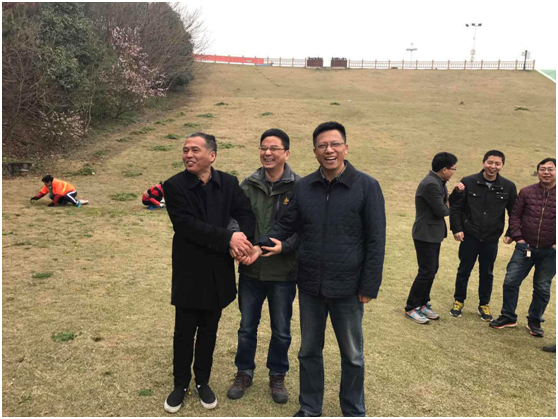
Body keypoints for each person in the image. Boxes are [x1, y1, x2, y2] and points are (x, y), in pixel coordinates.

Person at [241, 121, 386, 417]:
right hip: (309, 285)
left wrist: (369, 285)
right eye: (322, 145)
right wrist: (259, 245)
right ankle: (309, 407)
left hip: (348, 287)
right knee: (308, 352)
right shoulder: (304, 186)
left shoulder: (366, 186)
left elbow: (376, 239)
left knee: (352, 355)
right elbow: (286, 224)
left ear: (345, 148)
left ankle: (353, 410)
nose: (329, 150)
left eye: (334, 144)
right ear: (315, 151)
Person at [162, 132, 255, 413]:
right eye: (185, 150)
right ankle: (180, 384)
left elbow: (245, 213)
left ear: (211, 156)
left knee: (209, 331)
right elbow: (186, 225)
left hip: (218, 270)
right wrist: (228, 238)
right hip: (189, 270)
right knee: (184, 332)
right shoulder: (174, 185)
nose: (188, 155)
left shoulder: (228, 183)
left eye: (195, 150)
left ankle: (202, 380)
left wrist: (242, 242)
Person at [227, 129, 301, 404]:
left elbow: (305, 228)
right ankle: (244, 372)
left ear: (286, 153)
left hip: (283, 271)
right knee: (247, 327)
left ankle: (277, 375)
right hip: (251, 270)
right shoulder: (248, 185)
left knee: (281, 329)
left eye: (274, 148)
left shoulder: (300, 187)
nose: (267, 153)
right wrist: (236, 241)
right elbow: (233, 217)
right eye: (263, 148)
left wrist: (286, 246)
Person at [490, 158, 556, 337]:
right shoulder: (527, 192)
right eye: (543, 169)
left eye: (550, 169)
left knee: (542, 287)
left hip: (550, 251)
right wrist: (518, 238)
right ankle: (508, 316)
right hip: (525, 247)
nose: (546, 172)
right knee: (511, 281)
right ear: (538, 172)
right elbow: (515, 215)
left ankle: (535, 320)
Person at [448, 150, 517, 320]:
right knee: (464, 270)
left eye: (497, 163)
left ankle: (484, 304)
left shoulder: (508, 187)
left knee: (487, 272)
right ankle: (459, 300)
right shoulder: (468, 182)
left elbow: (514, 213)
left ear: (502, 165)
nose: (493, 166)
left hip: (491, 238)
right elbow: (456, 208)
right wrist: (457, 229)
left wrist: (511, 233)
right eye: (490, 162)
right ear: (483, 163)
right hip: (469, 235)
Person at [404, 152, 459, 324]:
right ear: (444, 169)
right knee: (426, 271)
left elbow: (444, 205)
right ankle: (411, 307)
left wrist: (452, 197)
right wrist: (452, 202)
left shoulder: (439, 182)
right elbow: (442, 210)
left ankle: (422, 303)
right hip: (425, 234)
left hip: (433, 233)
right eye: (453, 169)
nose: (453, 172)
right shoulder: (431, 184)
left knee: (432, 269)